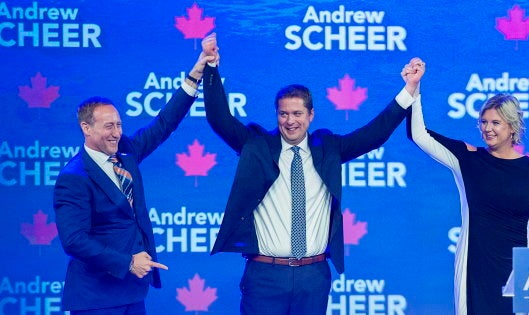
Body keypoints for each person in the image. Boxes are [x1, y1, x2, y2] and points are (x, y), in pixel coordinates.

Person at [199, 33, 416, 315]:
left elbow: (374, 135)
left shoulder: (329, 149)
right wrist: (212, 68)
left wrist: (409, 90)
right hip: (265, 275)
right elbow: (219, 119)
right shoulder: (257, 146)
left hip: (313, 275)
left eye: (297, 113)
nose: (290, 121)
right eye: (283, 114)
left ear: (311, 115)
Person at [52, 52, 216, 314]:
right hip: (97, 298)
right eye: (108, 126)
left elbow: (163, 124)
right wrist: (127, 262)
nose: (117, 133)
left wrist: (195, 75)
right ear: (86, 128)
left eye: (118, 124)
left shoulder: (125, 153)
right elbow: (74, 240)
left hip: (132, 291)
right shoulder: (74, 177)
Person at [403, 57, 529, 314]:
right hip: (474, 270)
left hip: (518, 276)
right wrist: (414, 87)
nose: (487, 129)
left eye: (495, 123)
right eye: (483, 122)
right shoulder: (468, 158)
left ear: (512, 127)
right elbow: (419, 134)